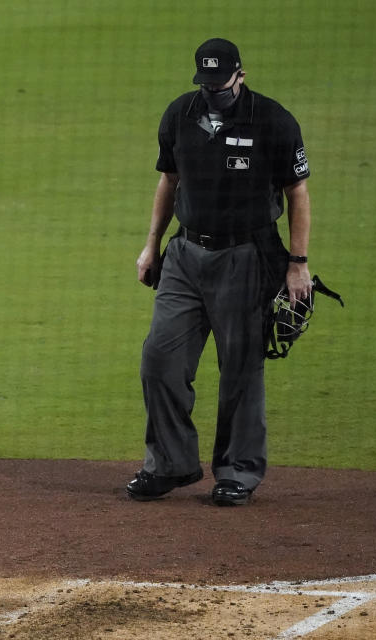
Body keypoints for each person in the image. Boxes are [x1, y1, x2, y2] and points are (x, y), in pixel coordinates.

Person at [127, 38, 312, 507]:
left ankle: (238, 472)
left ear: (240, 75)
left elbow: (297, 192)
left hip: (248, 257)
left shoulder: (272, 120)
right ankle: (169, 464)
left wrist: (298, 265)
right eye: (205, 84)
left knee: (240, 370)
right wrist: (151, 245)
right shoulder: (180, 114)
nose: (214, 91)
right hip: (185, 256)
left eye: (221, 83)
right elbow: (169, 180)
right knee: (159, 360)